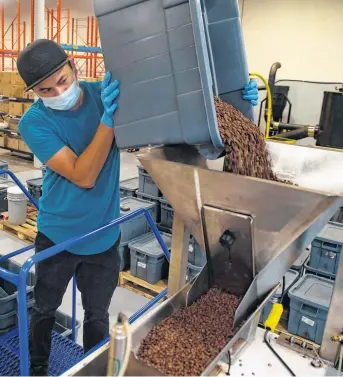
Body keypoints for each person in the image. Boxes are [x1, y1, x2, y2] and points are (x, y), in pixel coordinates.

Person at [16, 39, 259, 376]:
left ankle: (96, 370)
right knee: (44, 308)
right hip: (59, 236)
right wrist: (108, 120)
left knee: (97, 315)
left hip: (103, 235)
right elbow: (83, 174)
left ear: (74, 67)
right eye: (46, 90)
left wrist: (235, 106)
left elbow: (175, 118)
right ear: (35, 92)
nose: (59, 93)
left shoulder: (105, 93)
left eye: (63, 81)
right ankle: (38, 368)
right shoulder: (34, 123)